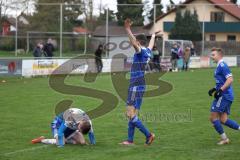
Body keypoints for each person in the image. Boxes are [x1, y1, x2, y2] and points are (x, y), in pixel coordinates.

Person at [119, 18, 160, 146]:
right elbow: (151, 44)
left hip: (135, 85)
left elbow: (134, 44)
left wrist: (127, 29)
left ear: (138, 42)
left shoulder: (140, 51)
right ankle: (130, 140)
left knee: (129, 114)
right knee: (133, 114)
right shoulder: (148, 51)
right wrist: (153, 35)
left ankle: (148, 135)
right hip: (141, 84)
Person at [208, 47, 240, 145]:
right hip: (227, 95)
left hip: (224, 95)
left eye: (213, 55)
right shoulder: (219, 65)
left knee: (213, 118)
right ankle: (225, 138)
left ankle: (225, 139)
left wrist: (220, 90)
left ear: (219, 55)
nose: (211, 56)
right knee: (223, 119)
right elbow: (221, 81)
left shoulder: (222, 65)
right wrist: (214, 89)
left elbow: (230, 79)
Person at [31, 108, 96, 147]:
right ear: (80, 126)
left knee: (82, 143)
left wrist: (93, 144)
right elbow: (60, 131)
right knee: (61, 142)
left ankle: (67, 139)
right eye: (79, 130)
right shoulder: (70, 118)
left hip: (71, 126)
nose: (79, 130)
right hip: (58, 124)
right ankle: (41, 140)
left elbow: (91, 133)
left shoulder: (88, 122)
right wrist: (61, 145)